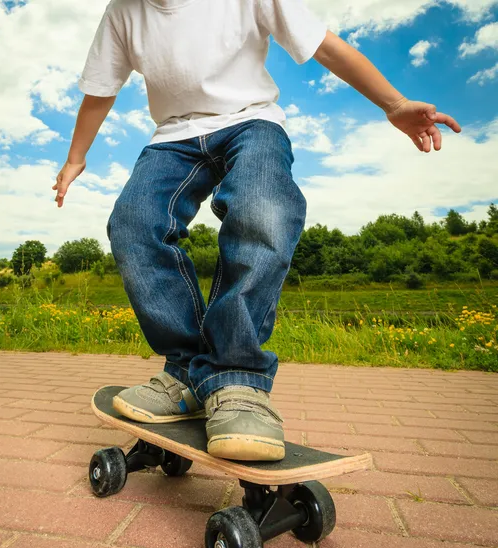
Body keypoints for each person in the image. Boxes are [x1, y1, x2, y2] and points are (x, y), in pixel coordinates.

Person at [53, 0, 461, 462]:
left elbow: (323, 46)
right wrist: (74, 157)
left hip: (252, 122)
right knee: (133, 224)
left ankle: (236, 378)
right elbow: (101, 90)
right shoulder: (122, 12)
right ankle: (189, 372)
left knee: (262, 209)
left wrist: (396, 103)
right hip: (173, 137)